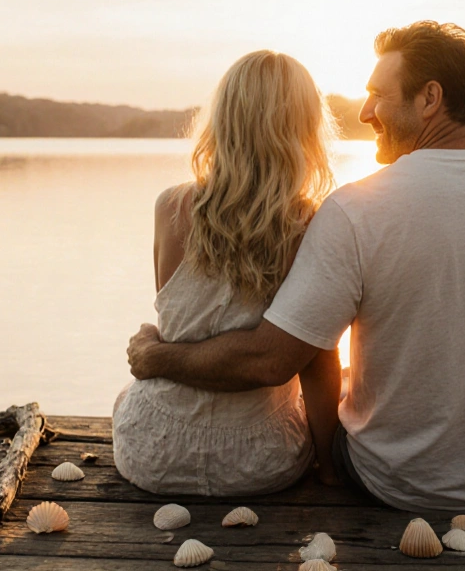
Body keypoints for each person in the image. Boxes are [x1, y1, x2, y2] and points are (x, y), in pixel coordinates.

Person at [128, 21, 465, 511]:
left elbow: (273, 360)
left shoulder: (356, 210)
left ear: (429, 98)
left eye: (378, 94)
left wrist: (155, 357)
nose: (364, 112)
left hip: (393, 482)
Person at [112, 50, 344, 495]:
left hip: (153, 451)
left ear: (222, 118)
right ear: (304, 129)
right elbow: (317, 361)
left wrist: (153, 354)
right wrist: (329, 468)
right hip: (258, 460)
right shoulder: (310, 224)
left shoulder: (170, 207)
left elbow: (179, 329)